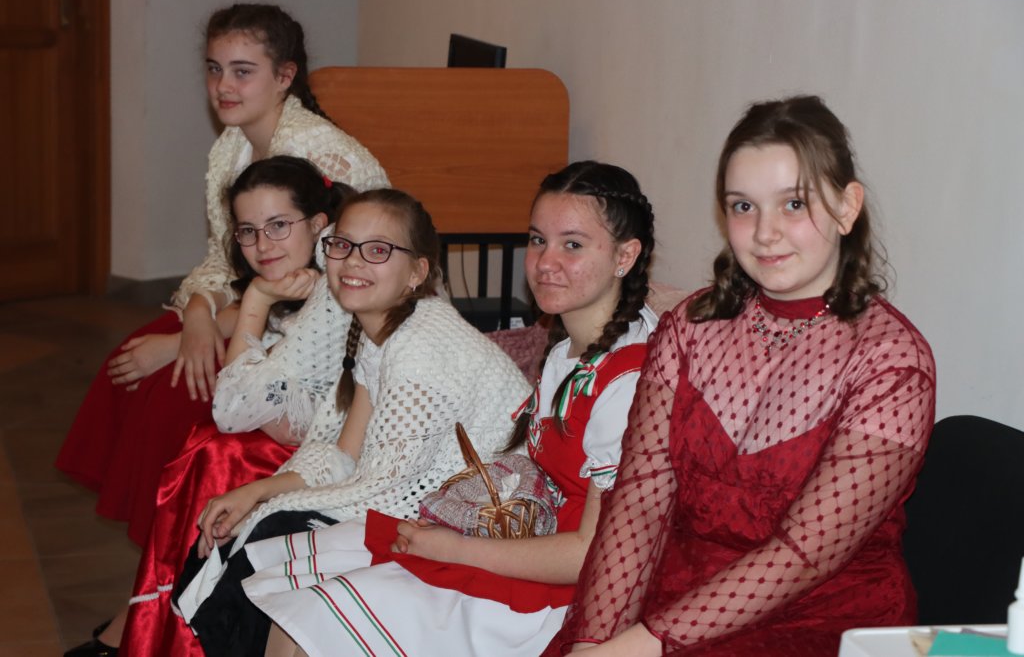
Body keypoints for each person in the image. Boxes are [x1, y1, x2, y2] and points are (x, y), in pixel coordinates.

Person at [544, 96, 936, 656]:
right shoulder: (690, 327)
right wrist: (594, 639)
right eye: (743, 206)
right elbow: (638, 503)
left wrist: (639, 646)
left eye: (794, 204)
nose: (765, 232)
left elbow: (803, 554)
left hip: (816, 621)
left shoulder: (892, 364)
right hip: (673, 597)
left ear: (847, 207)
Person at [233, 160, 658, 657]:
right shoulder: (568, 350)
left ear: (625, 256)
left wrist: (457, 548)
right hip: (522, 537)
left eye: (573, 245)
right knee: (292, 608)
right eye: (538, 239)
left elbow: (593, 554)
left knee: (313, 620)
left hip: (560, 596)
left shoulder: (629, 382)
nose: (545, 262)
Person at [55, 2, 388, 547]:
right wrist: (197, 313)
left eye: (242, 71)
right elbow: (223, 256)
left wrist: (192, 339)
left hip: (328, 336)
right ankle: (156, 547)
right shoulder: (231, 147)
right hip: (267, 307)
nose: (223, 86)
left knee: (170, 387)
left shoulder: (324, 155)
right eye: (214, 69)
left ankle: (168, 551)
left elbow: (330, 286)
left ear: (285, 76)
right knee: (133, 360)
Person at [169, 188, 531, 656]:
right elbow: (346, 454)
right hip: (427, 507)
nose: (353, 261)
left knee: (268, 543)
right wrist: (257, 492)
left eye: (377, 250)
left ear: (417, 272)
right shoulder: (380, 332)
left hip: (487, 523)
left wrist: (271, 510)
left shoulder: (421, 348)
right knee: (255, 534)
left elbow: (390, 493)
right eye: (342, 245)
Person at [62, 156, 356, 657]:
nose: (263, 245)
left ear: (318, 225)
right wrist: (223, 308)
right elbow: (250, 395)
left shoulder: (332, 293)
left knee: (216, 452)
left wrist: (257, 299)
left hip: (341, 460)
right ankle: (154, 621)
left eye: (279, 226)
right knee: (198, 436)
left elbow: (255, 414)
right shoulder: (294, 281)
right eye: (248, 232)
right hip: (303, 442)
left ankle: (175, 631)